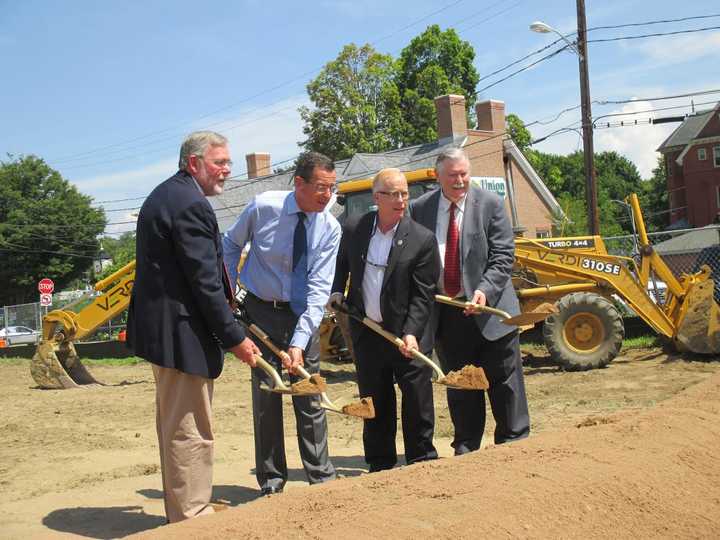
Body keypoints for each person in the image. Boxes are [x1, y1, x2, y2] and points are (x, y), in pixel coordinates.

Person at [127, 130, 260, 523]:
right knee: (189, 429)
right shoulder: (189, 205)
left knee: (177, 425)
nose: (227, 171)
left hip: (170, 331)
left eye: (228, 163)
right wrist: (235, 337)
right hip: (180, 334)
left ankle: (185, 507)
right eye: (220, 163)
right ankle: (191, 515)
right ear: (194, 163)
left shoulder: (171, 195)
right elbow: (203, 281)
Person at [222, 151, 340, 495]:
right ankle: (272, 481)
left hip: (303, 315)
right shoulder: (263, 207)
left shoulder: (329, 227)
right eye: (321, 187)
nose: (327, 196)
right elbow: (229, 246)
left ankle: (321, 477)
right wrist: (228, 293)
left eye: (332, 188)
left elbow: (319, 288)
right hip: (259, 312)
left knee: (310, 395)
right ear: (299, 183)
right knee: (267, 396)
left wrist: (300, 342)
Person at [409, 147, 530, 454]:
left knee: (505, 384)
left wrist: (484, 290)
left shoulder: (490, 204)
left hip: (492, 312)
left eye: (464, 173)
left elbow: (503, 256)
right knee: (462, 385)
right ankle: (466, 447)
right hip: (448, 315)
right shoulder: (420, 208)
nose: (460, 180)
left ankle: (513, 444)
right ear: (438, 176)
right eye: (452, 175)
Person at [331, 168, 440, 472]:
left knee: (417, 400)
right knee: (375, 399)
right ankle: (380, 464)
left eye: (404, 193)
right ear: (377, 197)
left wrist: (411, 332)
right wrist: (338, 289)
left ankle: (421, 459)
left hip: (407, 335)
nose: (401, 199)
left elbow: (423, 295)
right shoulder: (355, 228)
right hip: (368, 332)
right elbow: (342, 262)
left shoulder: (422, 240)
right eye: (393, 193)